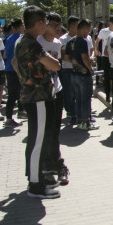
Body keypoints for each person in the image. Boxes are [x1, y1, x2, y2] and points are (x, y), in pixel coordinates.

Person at [14, 6, 62, 198]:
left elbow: (15, 64)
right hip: (38, 97)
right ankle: (35, 184)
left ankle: (37, 176)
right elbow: (54, 65)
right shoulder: (31, 44)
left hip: (35, 96)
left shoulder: (23, 41)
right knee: (38, 140)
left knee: (37, 138)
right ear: (40, 23)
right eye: (46, 22)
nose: (47, 26)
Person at [35, 12, 69, 184]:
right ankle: (46, 166)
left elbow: (58, 65)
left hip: (57, 90)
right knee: (45, 132)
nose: (58, 29)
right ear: (45, 24)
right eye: (54, 25)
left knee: (55, 130)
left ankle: (56, 164)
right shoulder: (36, 42)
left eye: (59, 25)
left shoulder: (57, 43)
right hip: (41, 94)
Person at [65, 19, 98, 131]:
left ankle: (79, 121)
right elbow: (84, 58)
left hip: (74, 74)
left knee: (78, 99)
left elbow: (66, 58)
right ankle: (85, 122)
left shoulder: (70, 42)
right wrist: (90, 68)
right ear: (83, 28)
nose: (88, 33)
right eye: (88, 30)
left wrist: (75, 63)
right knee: (85, 99)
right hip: (84, 75)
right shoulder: (83, 42)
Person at [4, 18, 25, 127]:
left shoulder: (9, 38)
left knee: (15, 93)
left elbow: (6, 55)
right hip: (16, 69)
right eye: (23, 24)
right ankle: (9, 119)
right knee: (14, 94)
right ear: (21, 25)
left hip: (9, 68)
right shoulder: (20, 38)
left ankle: (19, 112)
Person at [59, 16, 80, 124]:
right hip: (67, 69)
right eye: (78, 25)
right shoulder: (63, 39)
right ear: (72, 26)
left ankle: (79, 113)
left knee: (79, 93)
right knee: (70, 93)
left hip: (79, 69)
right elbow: (62, 56)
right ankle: (72, 113)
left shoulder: (80, 38)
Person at [95, 15, 113, 104]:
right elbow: (97, 41)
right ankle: (107, 95)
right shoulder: (104, 31)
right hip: (105, 57)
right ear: (111, 23)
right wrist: (96, 49)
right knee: (107, 76)